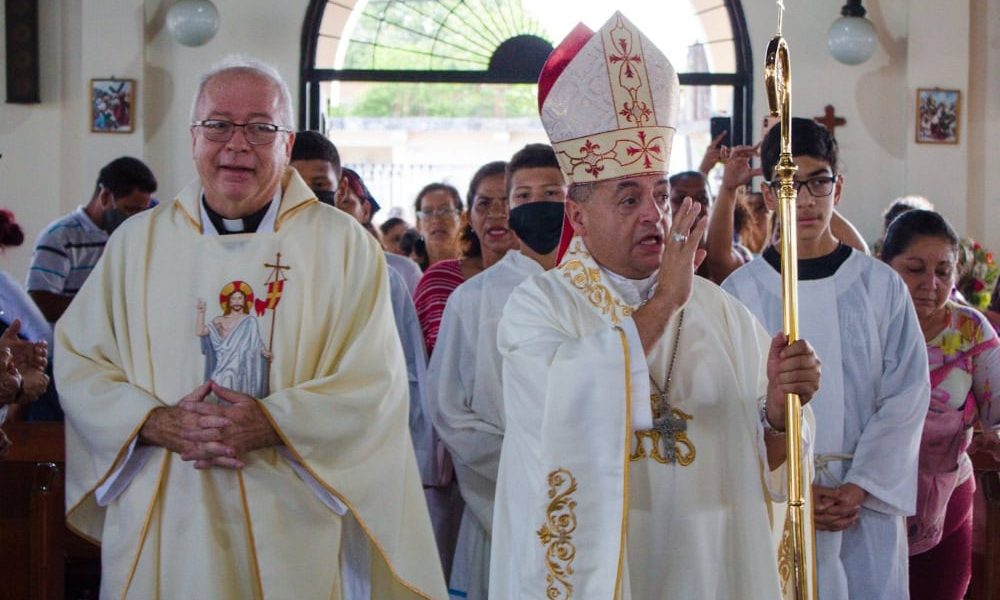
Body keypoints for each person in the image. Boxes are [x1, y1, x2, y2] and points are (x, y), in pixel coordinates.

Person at [56, 56, 446, 599]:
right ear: (193, 138)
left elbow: (374, 384)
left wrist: (274, 422)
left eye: (261, 128)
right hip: (170, 506)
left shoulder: (341, 246)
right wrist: (153, 421)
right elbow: (80, 362)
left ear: (287, 144)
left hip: (292, 513)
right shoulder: (137, 245)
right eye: (218, 125)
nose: (237, 144)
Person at [490, 14, 821, 599]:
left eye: (661, 194)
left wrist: (775, 409)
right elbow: (558, 414)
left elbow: (772, 454)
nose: (655, 213)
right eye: (629, 198)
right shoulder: (537, 307)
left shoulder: (721, 312)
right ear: (577, 215)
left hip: (711, 566)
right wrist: (667, 300)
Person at [723, 117, 931, 600]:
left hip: (864, 509)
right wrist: (790, 486)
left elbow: (907, 395)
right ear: (770, 195)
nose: (806, 198)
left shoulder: (880, 287)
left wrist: (860, 487)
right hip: (774, 505)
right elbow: (731, 404)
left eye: (818, 181)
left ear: (838, 187)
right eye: (789, 183)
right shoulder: (740, 293)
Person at [428, 143, 566, 599]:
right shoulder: (472, 299)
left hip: (589, 495)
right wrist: (527, 470)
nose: (538, 206)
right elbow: (449, 410)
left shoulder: (599, 289)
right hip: (498, 503)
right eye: (522, 197)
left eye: (553, 193)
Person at [880, 210, 1000, 600]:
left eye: (944, 272)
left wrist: (995, 436)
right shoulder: (866, 323)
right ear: (886, 264)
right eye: (914, 269)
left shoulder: (970, 330)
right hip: (867, 504)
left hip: (943, 503)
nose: (930, 284)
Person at [27, 156, 156, 323]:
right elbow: (42, 302)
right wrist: (106, 307)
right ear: (105, 196)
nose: (136, 218)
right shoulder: (59, 237)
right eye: (130, 210)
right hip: (71, 345)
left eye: (141, 212)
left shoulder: (133, 236)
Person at [414, 163, 515, 355]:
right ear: (469, 217)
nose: (496, 213)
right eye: (484, 204)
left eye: (507, 202)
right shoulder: (438, 282)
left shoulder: (543, 278)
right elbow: (416, 359)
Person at [415, 182, 464, 268]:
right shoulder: (408, 275)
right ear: (418, 225)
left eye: (445, 211)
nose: (436, 220)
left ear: (462, 219)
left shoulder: (479, 274)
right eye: (428, 212)